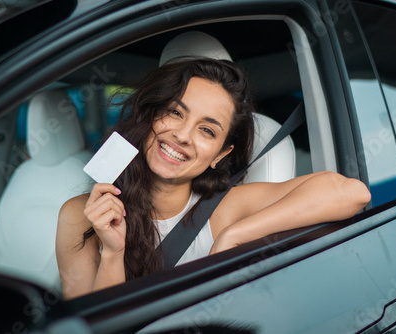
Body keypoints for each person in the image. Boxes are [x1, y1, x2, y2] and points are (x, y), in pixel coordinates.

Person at [56, 58, 371, 300]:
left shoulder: (225, 208)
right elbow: (90, 328)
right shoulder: (80, 216)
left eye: (207, 130)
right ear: (152, 115)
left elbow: (351, 192)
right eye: (175, 112)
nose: (182, 135)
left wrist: (234, 235)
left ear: (221, 154)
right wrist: (112, 253)